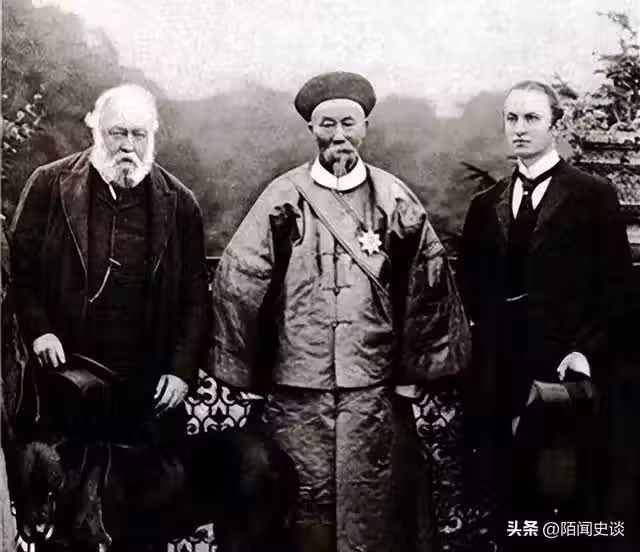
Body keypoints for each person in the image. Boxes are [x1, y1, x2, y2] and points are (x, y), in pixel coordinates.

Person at [211, 71, 470, 552]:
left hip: (374, 393)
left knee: (374, 517)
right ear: (311, 129)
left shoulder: (394, 199)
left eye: (348, 123)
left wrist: (412, 373)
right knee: (297, 514)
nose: (338, 135)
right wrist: (253, 372)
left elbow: (427, 280)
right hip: (295, 393)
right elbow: (241, 278)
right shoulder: (283, 197)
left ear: (365, 127)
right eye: (326, 124)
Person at [9, 83, 209, 539]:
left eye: (139, 134)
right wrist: (40, 330)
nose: (128, 145)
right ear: (96, 130)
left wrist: (181, 371)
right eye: (118, 132)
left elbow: (197, 297)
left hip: (147, 387)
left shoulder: (180, 203)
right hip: (66, 381)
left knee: (145, 519)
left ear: (153, 136)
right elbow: (21, 271)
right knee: (65, 518)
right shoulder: (49, 184)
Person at [458, 81, 634, 549]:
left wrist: (585, 351)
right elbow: (470, 289)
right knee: (509, 499)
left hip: (565, 372)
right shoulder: (485, 205)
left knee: (568, 497)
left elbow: (618, 288)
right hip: (502, 373)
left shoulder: (592, 195)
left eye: (532, 118)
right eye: (512, 118)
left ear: (556, 124)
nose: (520, 128)